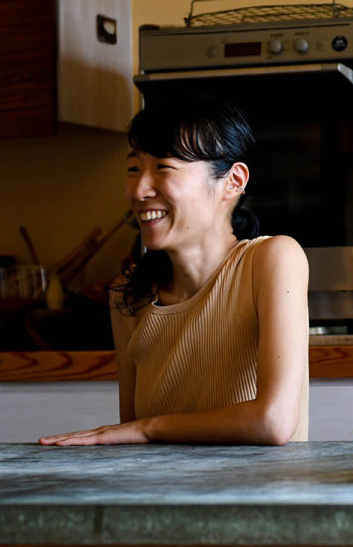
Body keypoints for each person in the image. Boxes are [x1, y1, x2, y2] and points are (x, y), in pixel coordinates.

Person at [39, 93, 310, 446]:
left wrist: (147, 428)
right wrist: (140, 431)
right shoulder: (128, 295)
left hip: (261, 485)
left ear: (233, 181)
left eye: (163, 167)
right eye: (134, 169)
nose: (139, 190)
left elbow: (273, 422)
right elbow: (134, 442)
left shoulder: (273, 259)